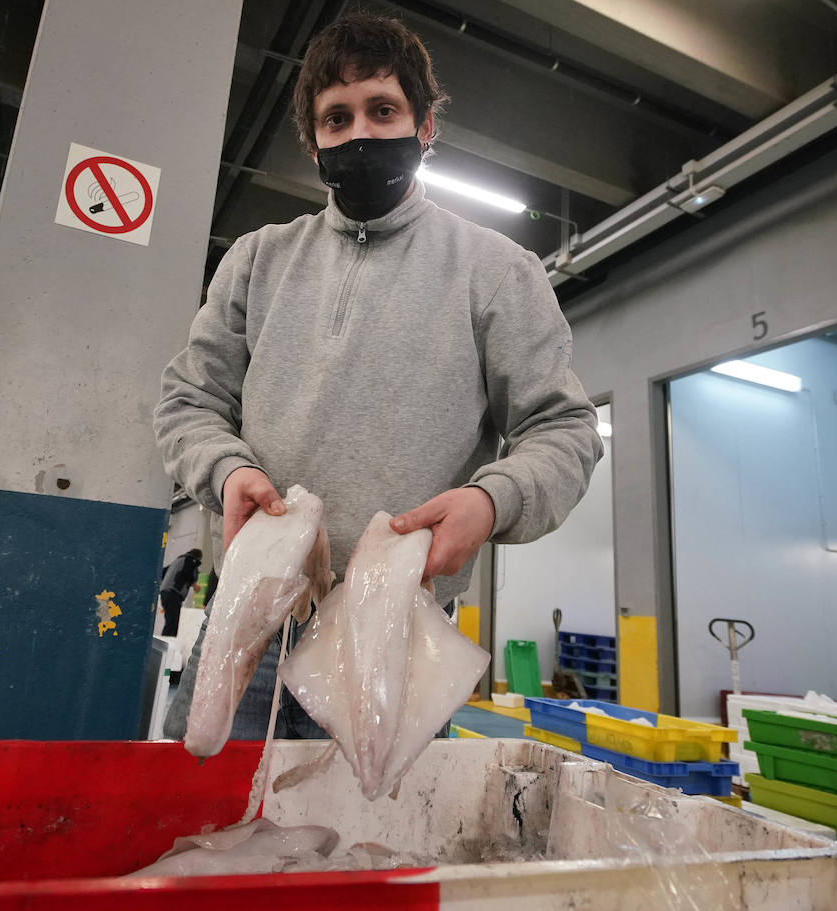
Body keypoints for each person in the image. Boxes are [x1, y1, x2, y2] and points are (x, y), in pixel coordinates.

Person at [153, 13, 603, 741]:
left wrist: (492, 502)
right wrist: (227, 470)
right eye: (338, 118)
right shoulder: (257, 260)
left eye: (383, 110)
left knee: (377, 845)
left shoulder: (495, 271)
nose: (360, 132)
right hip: (251, 620)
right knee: (199, 825)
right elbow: (188, 401)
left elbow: (565, 430)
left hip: (398, 635)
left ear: (425, 128)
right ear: (314, 144)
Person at [158, 547, 202, 637]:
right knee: (172, 622)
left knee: (170, 620)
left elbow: (162, 572)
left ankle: (165, 643)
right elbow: (187, 572)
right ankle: (167, 644)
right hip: (173, 592)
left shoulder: (178, 560)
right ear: (198, 557)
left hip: (165, 592)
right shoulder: (190, 559)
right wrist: (194, 584)